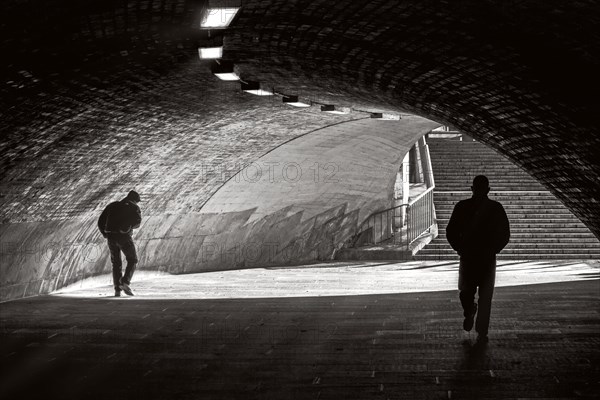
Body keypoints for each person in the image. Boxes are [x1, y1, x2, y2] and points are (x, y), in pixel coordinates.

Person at [446, 175, 510, 343]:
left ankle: (469, 310)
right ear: (488, 190)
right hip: (487, 258)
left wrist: (459, 248)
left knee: (466, 291)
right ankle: (482, 328)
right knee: (486, 295)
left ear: (472, 189)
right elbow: (505, 234)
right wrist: (493, 249)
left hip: (468, 257)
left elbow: (450, 231)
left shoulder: (462, 207)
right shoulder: (496, 208)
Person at [98, 190, 142, 297]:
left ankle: (117, 290)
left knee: (116, 263)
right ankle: (125, 282)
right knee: (132, 259)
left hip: (111, 237)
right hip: (124, 237)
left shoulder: (112, 206)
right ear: (135, 200)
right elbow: (137, 222)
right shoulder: (134, 207)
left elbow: (101, 221)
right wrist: (127, 228)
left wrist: (105, 233)